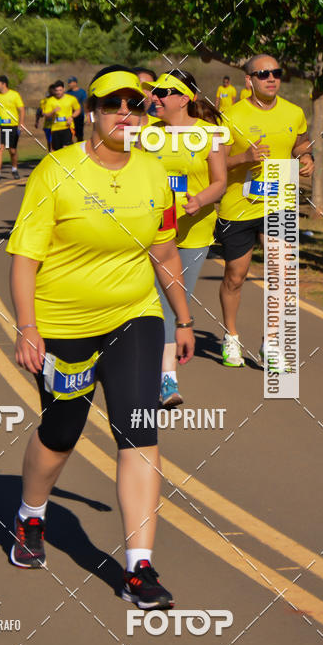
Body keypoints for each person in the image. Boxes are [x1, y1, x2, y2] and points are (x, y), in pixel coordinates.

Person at [6, 66, 194, 609]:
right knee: (62, 430)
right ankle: (31, 515)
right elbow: (25, 257)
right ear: (92, 112)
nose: (125, 115)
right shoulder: (56, 170)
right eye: (113, 105)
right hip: (62, 324)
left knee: (139, 431)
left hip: (134, 315)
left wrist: (182, 319)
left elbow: (164, 251)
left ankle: (139, 568)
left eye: (135, 105)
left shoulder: (154, 173)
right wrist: (27, 327)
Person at [216, 54, 314, 367]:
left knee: (281, 273)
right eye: (263, 74)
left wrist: (306, 158)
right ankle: (231, 336)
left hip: (279, 201)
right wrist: (244, 157)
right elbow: (215, 162)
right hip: (239, 206)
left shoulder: (294, 112)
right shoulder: (231, 115)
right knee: (235, 276)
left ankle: (270, 343)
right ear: (249, 80)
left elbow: (301, 143)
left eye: (276, 73)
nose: (271, 78)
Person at [141, 70, 226, 406]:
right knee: (152, 299)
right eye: (154, 92)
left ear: (184, 98)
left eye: (163, 92)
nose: (155, 98)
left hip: (194, 230)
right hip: (153, 230)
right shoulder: (147, 133)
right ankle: (161, 374)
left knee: (174, 301)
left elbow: (220, 182)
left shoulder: (209, 134)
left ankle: (163, 375)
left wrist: (199, 200)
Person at [0, 75, 24, 181]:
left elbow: (21, 109)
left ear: (4, 84)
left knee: (12, 150)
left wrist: (21, 123)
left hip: (13, 126)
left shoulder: (14, 95)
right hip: (0, 126)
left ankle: (14, 169)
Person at [41, 80, 80, 151]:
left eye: (60, 90)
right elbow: (46, 115)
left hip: (68, 127)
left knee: (66, 148)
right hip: (55, 129)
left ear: (64, 89)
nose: (58, 92)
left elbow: (78, 109)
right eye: (56, 90)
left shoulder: (71, 99)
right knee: (57, 151)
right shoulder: (50, 101)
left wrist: (72, 117)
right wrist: (53, 111)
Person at [67, 76, 87, 142]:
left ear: (75, 83)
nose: (69, 84)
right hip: (69, 117)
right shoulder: (67, 93)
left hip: (79, 116)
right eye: (68, 83)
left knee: (79, 135)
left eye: (70, 82)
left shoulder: (82, 92)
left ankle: (80, 145)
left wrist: (86, 114)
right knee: (69, 134)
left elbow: (85, 103)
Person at [36, 84, 55, 151]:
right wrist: (37, 121)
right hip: (48, 125)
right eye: (51, 90)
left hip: (58, 125)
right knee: (49, 141)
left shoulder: (59, 100)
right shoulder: (44, 101)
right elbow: (39, 112)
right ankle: (50, 153)